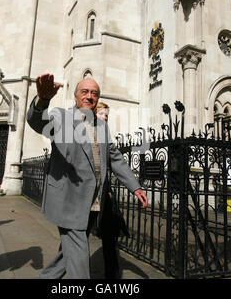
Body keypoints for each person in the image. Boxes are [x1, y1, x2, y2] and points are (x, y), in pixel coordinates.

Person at [27, 73, 148, 279]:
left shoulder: (102, 125)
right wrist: (43, 100)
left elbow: (114, 157)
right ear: (75, 96)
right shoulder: (61, 117)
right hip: (69, 199)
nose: (90, 96)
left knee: (68, 254)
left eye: (94, 93)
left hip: (94, 202)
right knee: (79, 258)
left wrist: (134, 186)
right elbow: (37, 121)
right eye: (85, 92)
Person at [93, 101, 123, 279]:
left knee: (109, 235)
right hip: (88, 196)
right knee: (75, 240)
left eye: (107, 115)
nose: (105, 118)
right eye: (101, 114)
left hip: (104, 193)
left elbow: (112, 162)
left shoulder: (105, 135)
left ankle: (112, 274)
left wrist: (109, 189)